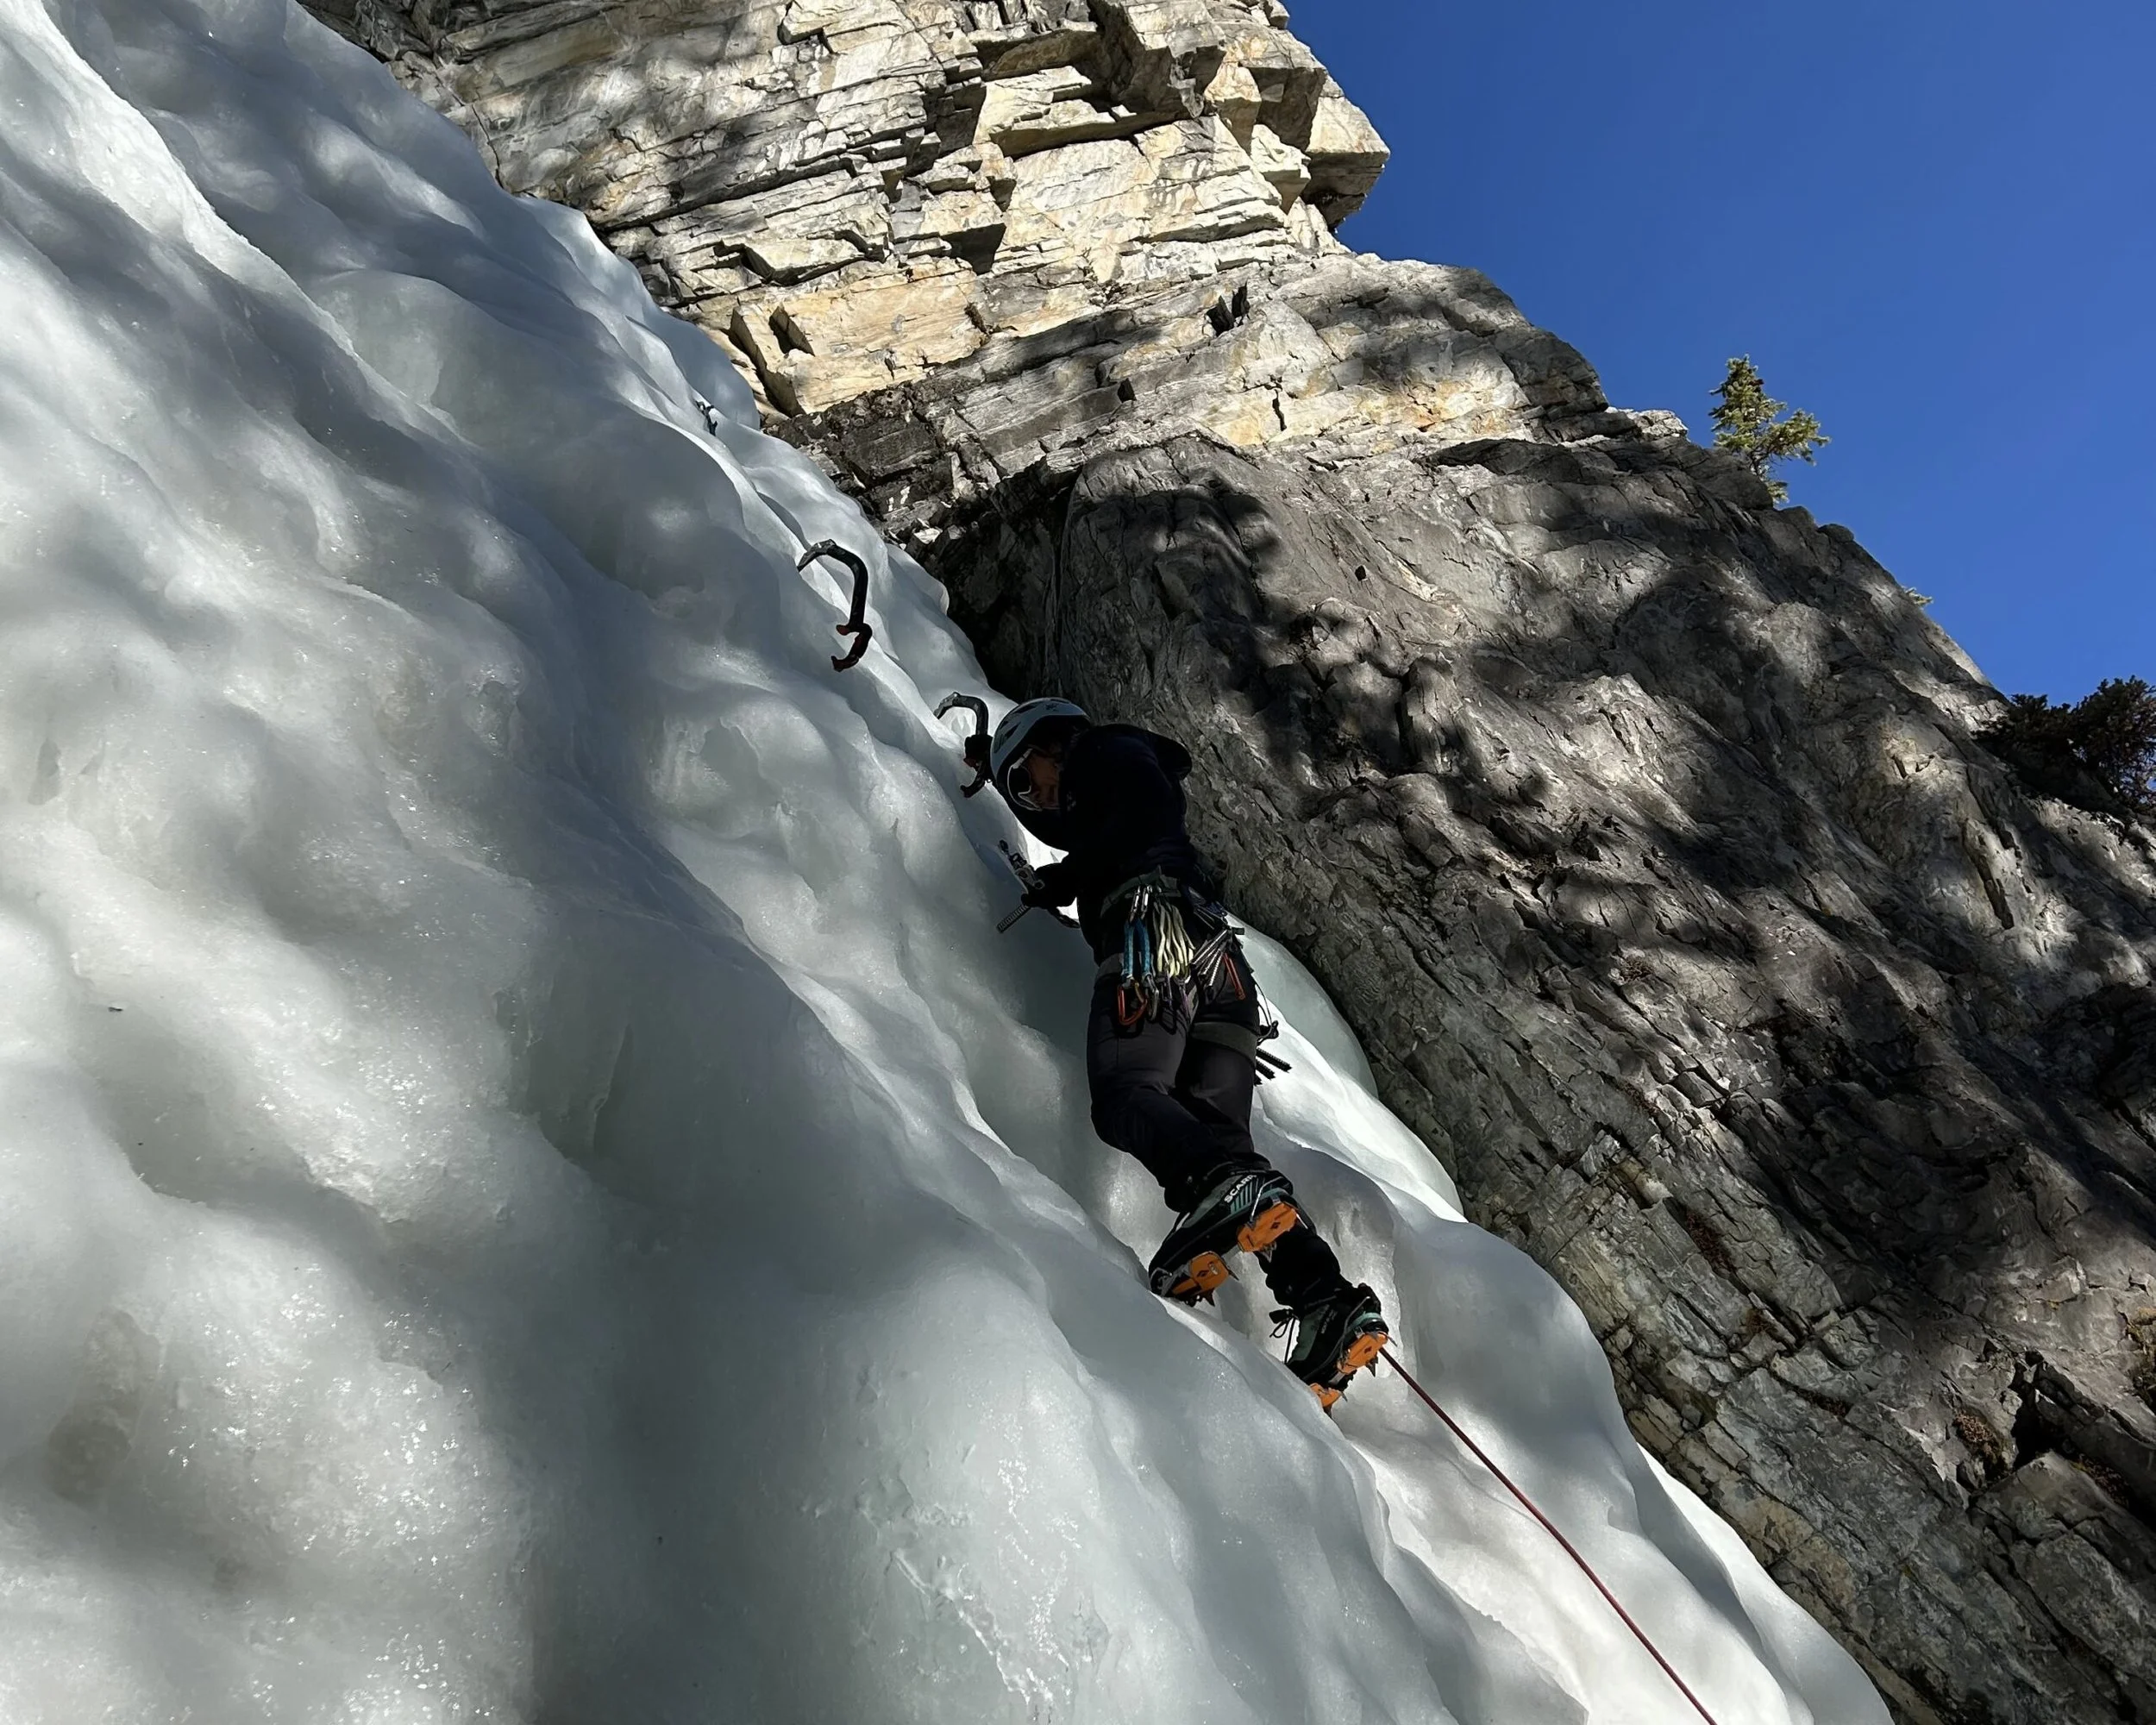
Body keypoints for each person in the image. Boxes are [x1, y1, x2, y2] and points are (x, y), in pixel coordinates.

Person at [988, 697, 1388, 1411]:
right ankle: (1323, 1298)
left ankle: (1219, 1193)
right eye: (1021, 794)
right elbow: (1128, 824)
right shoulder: (1113, 788)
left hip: (1155, 940)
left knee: (1126, 1092)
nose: (1037, 795)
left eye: (1027, 775)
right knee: (1224, 1140)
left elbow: (1135, 812)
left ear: (1054, 741)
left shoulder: (1103, 750)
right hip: (1219, 973)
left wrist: (1086, 872)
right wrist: (1067, 878)